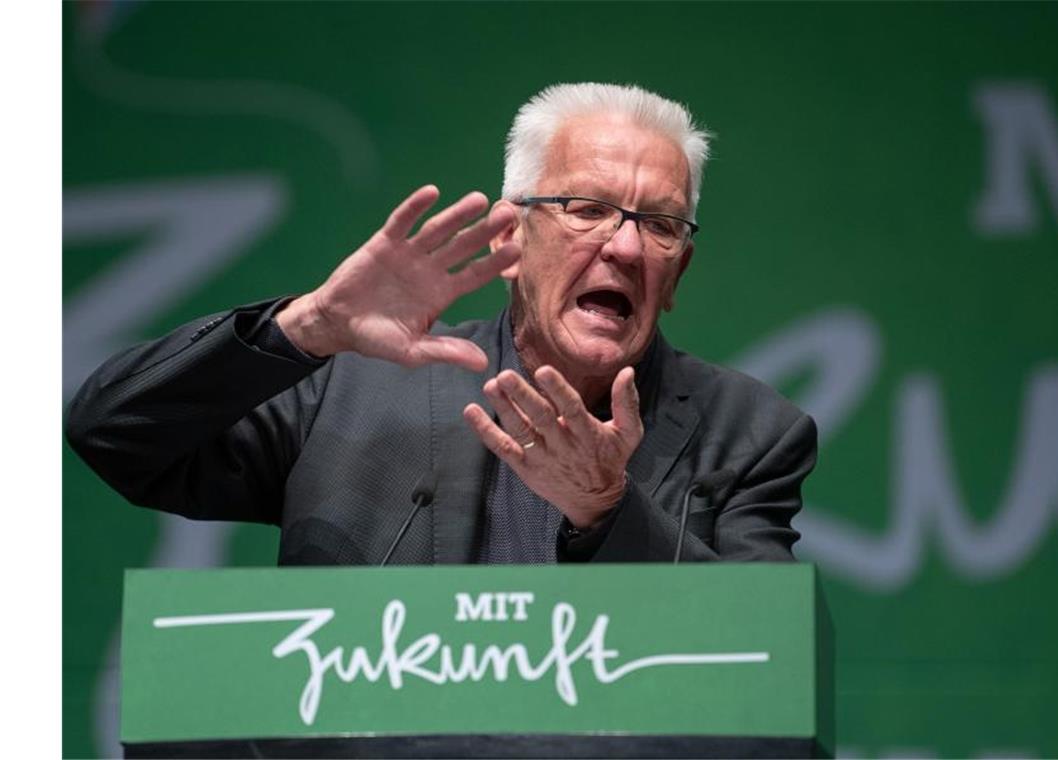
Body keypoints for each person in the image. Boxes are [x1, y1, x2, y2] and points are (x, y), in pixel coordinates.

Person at [66, 82, 817, 565]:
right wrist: (311, 325)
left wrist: (607, 510)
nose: (623, 246)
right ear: (509, 240)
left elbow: (760, 670)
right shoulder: (348, 390)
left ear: (677, 271)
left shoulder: (750, 434)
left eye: (657, 224)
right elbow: (114, 433)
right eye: (587, 209)